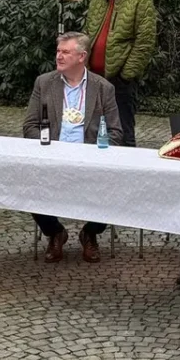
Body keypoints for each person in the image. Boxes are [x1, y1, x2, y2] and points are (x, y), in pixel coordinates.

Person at [22, 32, 123, 263]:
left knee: (115, 187)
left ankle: (90, 233)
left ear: (81, 57)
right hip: (52, 157)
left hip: (90, 160)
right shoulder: (44, 83)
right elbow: (29, 127)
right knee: (27, 185)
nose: (58, 56)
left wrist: (92, 152)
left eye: (65, 52)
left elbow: (116, 133)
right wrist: (51, 146)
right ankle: (55, 232)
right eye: (58, 51)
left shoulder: (103, 88)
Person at [84, 0, 155, 150]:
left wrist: (126, 75)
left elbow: (145, 42)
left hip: (120, 81)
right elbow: (89, 33)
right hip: (93, 78)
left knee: (122, 133)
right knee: (92, 131)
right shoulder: (98, 0)